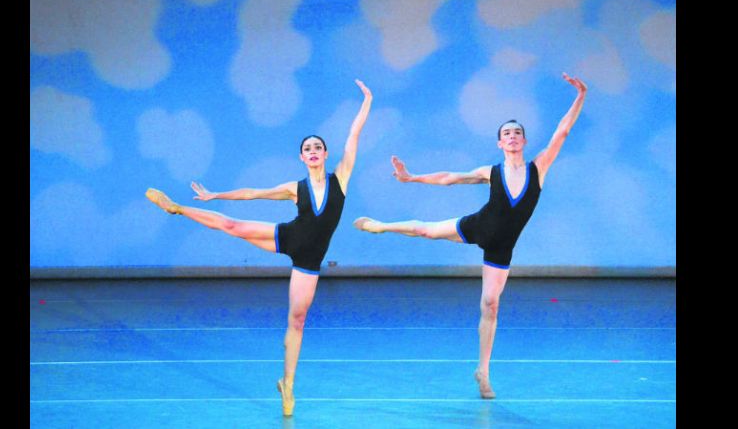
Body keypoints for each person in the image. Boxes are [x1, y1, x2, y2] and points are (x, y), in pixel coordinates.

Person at [146, 79, 373, 417]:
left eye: (318, 147)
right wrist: (215, 195)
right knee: (233, 225)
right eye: (307, 148)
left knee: (297, 321)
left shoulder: (341, 178)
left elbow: (354, 136)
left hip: (310, 260)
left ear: (325, 154)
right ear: (302, 156)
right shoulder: (294, 188)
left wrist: (367, 99)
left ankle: (288, 385)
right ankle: (179, 208)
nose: (313, 150)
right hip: (289, 236)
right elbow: (253, 192)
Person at [353, 73, 587, 399]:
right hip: (479, 226)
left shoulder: (539, 168)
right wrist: (411, 178)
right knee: (425, 230)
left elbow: (562, 132)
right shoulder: (489, 172)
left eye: (518, 132)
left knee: (490, 304)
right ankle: (381, 225)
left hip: (502, 247)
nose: (513, 136)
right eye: (507, 133)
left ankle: (484, 371)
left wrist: (580, 95)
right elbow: (450, 178)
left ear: (524, 141)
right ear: (499, 143)